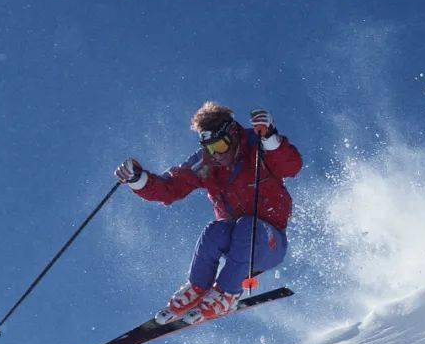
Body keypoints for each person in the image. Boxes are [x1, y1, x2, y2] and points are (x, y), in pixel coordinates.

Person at [115, 102, 303, 324]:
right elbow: (170, 187)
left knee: (246, 225)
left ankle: (227, 292)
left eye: (220, 147)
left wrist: (271, 138)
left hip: (269, 241)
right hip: (235, 243)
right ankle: (198, 287)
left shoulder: (257, 145)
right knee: (214, 231)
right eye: (210, 149)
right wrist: (139, 180)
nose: (217, 155)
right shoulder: (205, 162)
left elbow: (291, 167)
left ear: (232, 134)